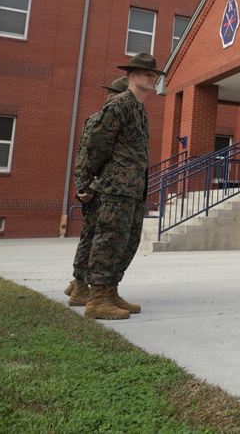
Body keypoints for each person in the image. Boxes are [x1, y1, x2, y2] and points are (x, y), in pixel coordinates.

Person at [82, 53, 163, 320]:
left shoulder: (139, 109)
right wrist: (99, 177)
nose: (152, 77)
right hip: (116, 188)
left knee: (127, 242)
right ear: (132, 76)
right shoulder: (120, 104)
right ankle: (96, 299)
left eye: (154, 74)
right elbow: (97, 144)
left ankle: (110, 292)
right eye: (147, 73)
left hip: (134, 189)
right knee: (109, 240)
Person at [63, 76, 129, 306]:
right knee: (93, 237)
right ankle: (80, 285)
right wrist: (89, 187)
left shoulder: (94, 118)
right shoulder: (103, 120)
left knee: (91, 236)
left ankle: (78, 283)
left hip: (94, 185)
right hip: (99, 187)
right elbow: (93, 157)